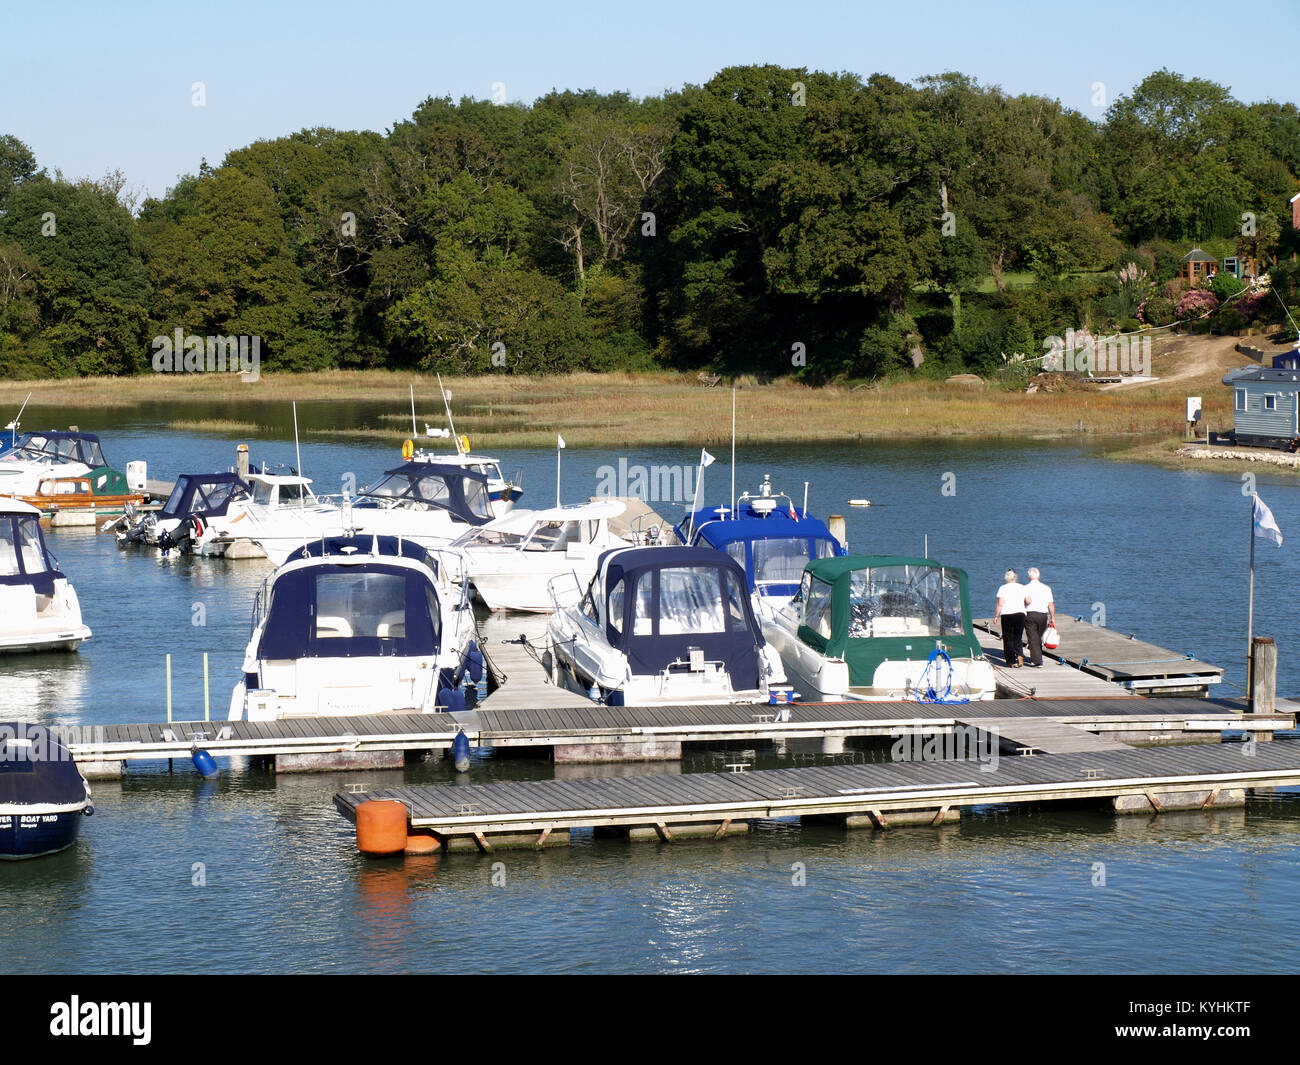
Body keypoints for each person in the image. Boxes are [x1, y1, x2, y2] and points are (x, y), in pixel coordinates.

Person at [1021, 567, 1056, 668]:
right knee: (1039, 636)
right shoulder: (1046, 588)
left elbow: (1023, 603)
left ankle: (1037, 661)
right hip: (1042, 615)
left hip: (1029, 614)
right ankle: (1038, 657)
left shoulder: (1025, 588)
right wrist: (1052, 617)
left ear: (1029, 577)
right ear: (1039, 576)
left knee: (1032, 637)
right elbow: (1051, 604)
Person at [994, 569, 1027, 667]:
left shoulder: (1003, 588)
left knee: (1008, 637)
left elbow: (1000, 604)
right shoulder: (1022, 587)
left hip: (1007, 614)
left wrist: (996, 616)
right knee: (1018, 636)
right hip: (1020, 614)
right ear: (1015, 578)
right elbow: (1028, 600)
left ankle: (1010, 660)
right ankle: (1020, 654)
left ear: (1006, 579)